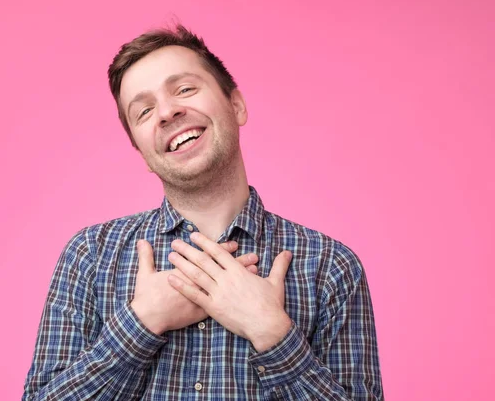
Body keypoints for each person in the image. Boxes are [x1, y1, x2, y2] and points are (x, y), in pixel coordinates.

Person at [22, 24, 384, 400]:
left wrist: (272, 333)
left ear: (237, 105)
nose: (167, 112)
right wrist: (142, 323)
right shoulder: (91, 255)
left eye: (184, 89)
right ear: (142, 152)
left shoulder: (331, 266)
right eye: (144, 111)